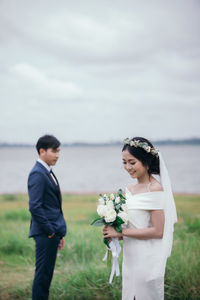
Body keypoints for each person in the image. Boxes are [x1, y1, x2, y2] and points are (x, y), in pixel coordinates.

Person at [103, 137, 177, 300]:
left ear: (145, 161)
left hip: (148, 258)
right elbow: (134, 227)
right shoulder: (129, 189)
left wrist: (122, 231)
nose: (127, 167)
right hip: (131, 257)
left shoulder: (155, 189)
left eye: (132, 162)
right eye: (124, 162)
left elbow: (158, 231)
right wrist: (115, 234)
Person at [28, 134, 67, 300]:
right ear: (42, 151)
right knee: (43, 276)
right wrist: (51, 231)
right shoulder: (38, 174)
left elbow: (52, 205)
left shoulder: (46, 171)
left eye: (58, 151)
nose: (57, 155)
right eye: (54, 151)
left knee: (46, 276)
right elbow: (35, 207)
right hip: (45, 233)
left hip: (52, 233)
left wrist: (58, 233)